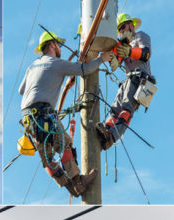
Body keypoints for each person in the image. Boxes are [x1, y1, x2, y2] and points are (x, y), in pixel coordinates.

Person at [18, 30, 114, 197]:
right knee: (64, 144)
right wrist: (102, 59)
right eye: (58, 45)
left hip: (28, 118)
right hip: (44, 113)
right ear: (53, 45)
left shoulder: (32, 66)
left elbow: (21, 90)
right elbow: (85, 69)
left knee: (47, 157)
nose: (60, 48)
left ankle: (70, 186)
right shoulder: (56, 63)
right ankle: (78, 181)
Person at [96, 13, 154, 150]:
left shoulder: (140, 36)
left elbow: (146, 54)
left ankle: (111, 137)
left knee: (127, 107)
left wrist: (129, 51)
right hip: (129, 80)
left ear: (131, 25)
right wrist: (115, 59)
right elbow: (118, 59)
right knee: (114, 109)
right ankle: (106, 131)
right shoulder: (123, 43)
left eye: (123, 26)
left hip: (141, 80)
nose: (122, 30)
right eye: (120, 28)